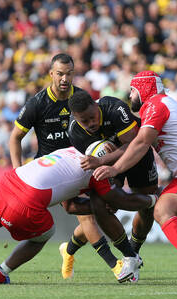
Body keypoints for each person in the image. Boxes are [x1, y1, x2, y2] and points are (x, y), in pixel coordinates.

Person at [0, 146, 158, 286]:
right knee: (44, 234)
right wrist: (153, 199)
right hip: (23, 203)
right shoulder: (95, 171)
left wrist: (96, 207)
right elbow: (120, 200)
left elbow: (71, 206)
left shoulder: (67, 150)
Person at [93, 70, 177, 278]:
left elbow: (142, 141)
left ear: (144, 89)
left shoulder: (157, 103)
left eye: (133, 91)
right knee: (162, 209)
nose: (130, 96)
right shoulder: (155, 106)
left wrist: (116, 168)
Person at [9, 53, 122, 280]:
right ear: (51, 73)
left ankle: (68, 249)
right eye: (60, 73)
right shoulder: (37, 103)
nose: (64, 78)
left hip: (85, 163)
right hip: (55, 170)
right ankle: (117, 265)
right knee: (89, 216)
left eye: (69, 74)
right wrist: (17, 172)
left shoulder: (82, 98)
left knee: (104, 210)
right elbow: (14, 138)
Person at [61, 90, 158, 279]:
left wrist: (102, 159)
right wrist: (105, 165)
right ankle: (130, 256)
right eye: (85, 121)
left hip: (138, 156)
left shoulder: (115, 108)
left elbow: (134, 144)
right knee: (101, 205)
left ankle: (134, 250)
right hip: (109, 165)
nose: (91, 124)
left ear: (96, 106)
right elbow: (92, 161)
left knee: (147, 209)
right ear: (75, 117)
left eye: (92, 117)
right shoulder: (75, 132)